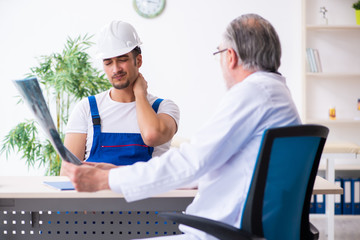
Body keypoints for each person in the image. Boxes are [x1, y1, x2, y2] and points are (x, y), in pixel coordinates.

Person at [62, 14, 301, 239]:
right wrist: (114, 173)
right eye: (108, 62)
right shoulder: (276, 93)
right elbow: (217, 165)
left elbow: (191, 161)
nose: (116, 68)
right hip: (247, 227)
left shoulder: (251, 94)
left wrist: (106, 180)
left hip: (226, 230)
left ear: (230, 56)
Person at [60, 20, 179, 171]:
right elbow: (68, 172)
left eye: (122, 60)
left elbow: (151, 136)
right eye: (108, 63)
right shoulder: (87, 108)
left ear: (138, 60)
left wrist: (140, 95)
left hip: (146, 195)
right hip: (97, 195)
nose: (116, 69)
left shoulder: (164, 107)